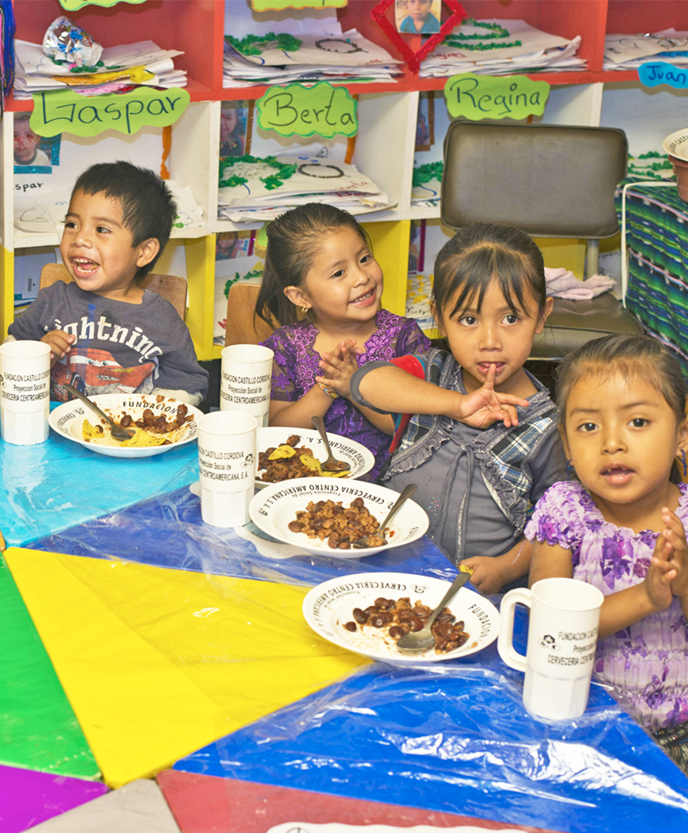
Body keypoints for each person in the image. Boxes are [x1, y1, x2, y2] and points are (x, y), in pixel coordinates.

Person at [344, 223, 564, 593]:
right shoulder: (430, 372)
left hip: (472, 595)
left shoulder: (547, 426)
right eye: (468, 320)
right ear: (439, 317)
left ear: (541, 315)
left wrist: (506, 568)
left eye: (511, 318)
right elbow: (365, 382)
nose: (490, 341)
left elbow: (557, 523)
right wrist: (456, 404)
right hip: (385, 566)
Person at [527, 334, 688, 731]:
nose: (611, 443)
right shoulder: (566, 512)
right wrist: (647, 596)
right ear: (565, 443)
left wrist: (684, 584)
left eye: (637, 422)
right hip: (578, 721)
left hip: (679, 729)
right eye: (588, 426)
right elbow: (551, 629)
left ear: (681, 434)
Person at [7, 161, 208, 405]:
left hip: (129, 437)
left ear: (144, 251)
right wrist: (35, 358)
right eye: (72, 224)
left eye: (101, 229)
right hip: (54, 436)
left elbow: (189, 382)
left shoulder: (161, 318)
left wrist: (155, 410)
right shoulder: (51, 301)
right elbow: (10, 362)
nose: (79, 238)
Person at [256, 204, 430, 480]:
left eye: (364, 258)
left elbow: (415, 428)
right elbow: (278, 432)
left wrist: (354, 388)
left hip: (387, 483)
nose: (362, 277)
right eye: (338, 273)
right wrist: (326, 387)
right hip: (306, 488)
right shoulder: (285, 348)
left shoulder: (403, 338)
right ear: (300, 297)